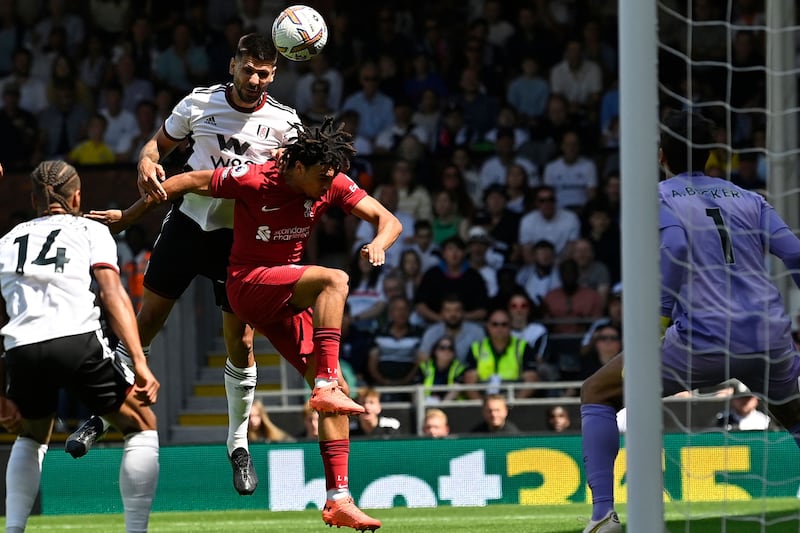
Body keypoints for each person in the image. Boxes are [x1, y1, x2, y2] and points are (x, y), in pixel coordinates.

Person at [89, 119, 399, 531]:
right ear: (299, 168)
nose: (328, 188)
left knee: (337, 392)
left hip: (286, 293)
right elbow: (183, 182)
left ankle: (338, 498)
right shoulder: (254, 178)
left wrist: (378, 243)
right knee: (335, 279)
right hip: (248, 285)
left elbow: (387, 220)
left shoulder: (330, 181)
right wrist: (129, 217)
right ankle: (321, 384)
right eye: (322, 179)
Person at [65, 33, 300, 498]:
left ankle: (238, 445)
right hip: (187, 224)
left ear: (275, 75)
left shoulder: (285, 124)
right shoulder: (198, 103)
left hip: (239, 241)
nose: (255, 80)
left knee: (242, 341)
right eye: (248, 69)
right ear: (233, 65)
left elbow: (293, 185)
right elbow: (154, 149)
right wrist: (145, 166)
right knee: (143, 324)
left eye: (265, 73)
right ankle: (102, 413)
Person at [580, 110, 800, 533]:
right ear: (712, 156)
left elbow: (677, 246)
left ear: (662, 155)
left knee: (597, 391)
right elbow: (793, 254)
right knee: (793, 415)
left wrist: (657, 326)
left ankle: (603, 515)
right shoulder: (750, 198)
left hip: (703, 339)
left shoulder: (658, 196)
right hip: (768, 336)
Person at [0, 161, 160, 533]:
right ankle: (136, 530)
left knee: (32, 433)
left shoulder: (7, 242)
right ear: (77, 197)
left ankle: (14, 529)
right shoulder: (91, 230)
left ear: (33, 199)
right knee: (141, 424)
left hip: (22, 350)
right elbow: (112, 295)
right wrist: (139, 362)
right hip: (76, 341)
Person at [462, 308, 540, 400]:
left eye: (504, 324)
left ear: (511, 326)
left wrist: (515, 403)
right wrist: (483, 406)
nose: (500, 328)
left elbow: (531, 379)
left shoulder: (523, 347)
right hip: (484, 399)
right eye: (495, 324)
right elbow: (469, 382)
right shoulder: (476, 348)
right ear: (488, 326)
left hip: (514, 398)